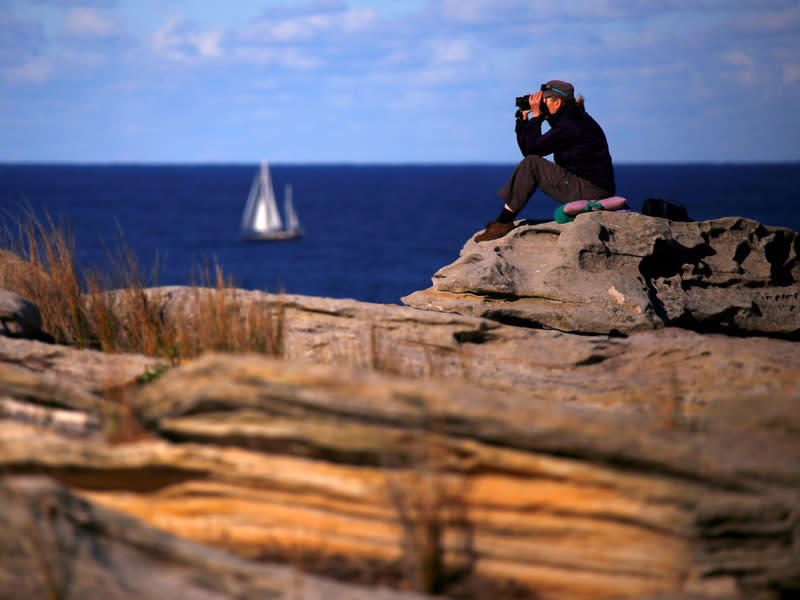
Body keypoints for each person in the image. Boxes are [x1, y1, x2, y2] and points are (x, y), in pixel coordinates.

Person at [474, 80, 616, 242]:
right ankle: (503, 221)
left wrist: (536, 117)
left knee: (532, 164)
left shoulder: (571, 123)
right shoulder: (570, 118)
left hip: (592, 191)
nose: (540, 104)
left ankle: (503, 222)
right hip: (589, 186)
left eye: (544, 101)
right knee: (531, 162)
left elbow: (533, 152)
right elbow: (529, 150)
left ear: (558, 101)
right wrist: (523, 120)